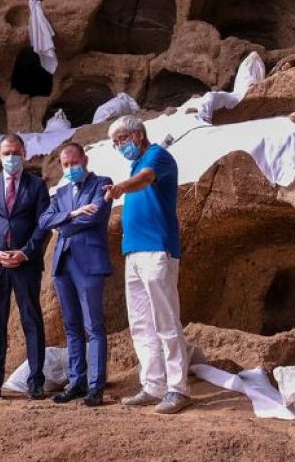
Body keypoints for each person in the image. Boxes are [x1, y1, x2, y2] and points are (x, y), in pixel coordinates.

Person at [103, 115, 192, 414]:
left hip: (157, 250)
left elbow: (146, 180)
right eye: (116, 143)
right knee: (141, 323)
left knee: (166, 320)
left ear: (139, 135)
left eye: (122, 139)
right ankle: (153, 385)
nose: (120, 146)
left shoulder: (157, 156)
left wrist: (121, 188)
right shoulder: (135, 163)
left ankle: (178, 388)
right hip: (134, 252)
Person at [0, 133, 50, 399]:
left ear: (24, 154)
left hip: (25, 264)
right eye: (6, 153)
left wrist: (26, 252)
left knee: (32, 320)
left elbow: (43, 224)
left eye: (16, 152)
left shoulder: (37, 186)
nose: (11, 158)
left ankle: (36, 380)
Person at [38, 142, 112, 407]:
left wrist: (64, 224)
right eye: (65, 164)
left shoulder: (103, 183)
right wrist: (71, 213)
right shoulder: (60, 192)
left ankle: (95, 386)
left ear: (85, 159)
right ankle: (76, 381)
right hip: (63, 265)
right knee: (71, 327)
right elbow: (44, 221)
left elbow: (93, 218)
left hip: (89, 262)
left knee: (93, 325)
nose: (70, 168)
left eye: (74, 163)